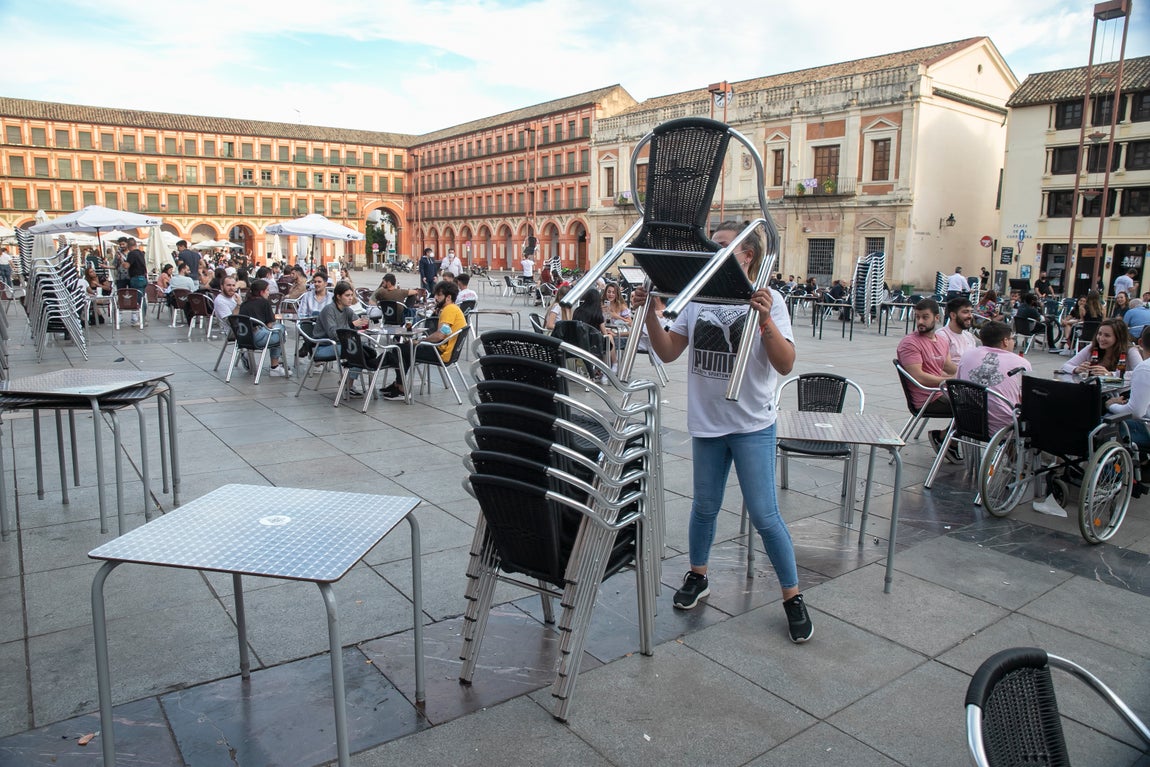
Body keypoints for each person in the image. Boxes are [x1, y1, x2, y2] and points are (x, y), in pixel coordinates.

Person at [631, 220, 812, 643]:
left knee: (765, 515)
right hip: (708, 424)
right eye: (714, 245)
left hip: (752, 424)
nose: (714, 251)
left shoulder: (772, 301)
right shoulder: (696, 298)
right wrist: (649, 314)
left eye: (724, 246)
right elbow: (668, 352)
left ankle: (792, 596)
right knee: (705, 507)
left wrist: (764, 318)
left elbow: (785, 364)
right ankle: (698, 575)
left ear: (746, 256)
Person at [380, 280, 467, 400]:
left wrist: (421, 341)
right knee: (406, 348)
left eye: (438, 295)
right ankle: (398, 384)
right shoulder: (454, 308)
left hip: (441, 353)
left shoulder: (449, 310)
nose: (435, 298)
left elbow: (440, 335)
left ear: (448, 297)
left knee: (399, 349)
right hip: (445, 351)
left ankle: (400, 388)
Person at [896, 298, 958, 461]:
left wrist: (969, 372)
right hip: (928, 398)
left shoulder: (942, 341)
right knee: (974, 409)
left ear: (937, 318)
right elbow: (919, 377)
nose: (920, 322)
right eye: (917, 317)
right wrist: (950, 382)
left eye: (925, 317)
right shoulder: (910, 343)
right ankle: (945, 439)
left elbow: (948, 366)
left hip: (940, 391)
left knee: (980, 401)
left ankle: (950, 440)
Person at [956, 321, 1031, 433]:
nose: (1013, 342)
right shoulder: (1021, 363)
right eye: (1012, 339)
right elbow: (1026, 397)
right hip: (1003, 426)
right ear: (1005, 341)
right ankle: (1012, 450)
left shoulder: (967, 355)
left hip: (967, 420)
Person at [316, 281, 373, 397]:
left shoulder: (347, 310)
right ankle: (347, 385)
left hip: (341, 344)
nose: (350, 298)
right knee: (357, 351)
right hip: (324, 346)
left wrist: (362, 323)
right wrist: (353, 325)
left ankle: (347, 383)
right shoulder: (329, 310)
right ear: (338, 296)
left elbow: (357, 322)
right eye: (347, 295)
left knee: (362, 350)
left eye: (351, 295)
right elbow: (333, 334)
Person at [1106, 328, 1150, 454]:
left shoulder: (1144, 368)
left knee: (1103, 422)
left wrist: (1111, 405)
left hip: (1146, 429)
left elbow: (1135, 412)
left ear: (1140, 343)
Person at [237, 279, 289, 377]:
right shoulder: (265, 303)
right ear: (261, 292)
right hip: (258, 339)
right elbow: (270, 325)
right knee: (279, 329)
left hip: (244, 339)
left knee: (277, 334)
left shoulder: (244, 304)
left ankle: (248, 355)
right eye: (268, 290)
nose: (269, 293)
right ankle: (275, 367)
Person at [1061, 318, 1141, 379]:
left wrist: (1110, 374)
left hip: (1122, 394)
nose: (1101, 338)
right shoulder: (1092, 347)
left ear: (1118, 338)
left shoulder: (1130, 350)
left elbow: (1140, 373)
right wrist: (1077, 369)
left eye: (1107, 335)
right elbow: (1066, 366)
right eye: (1099, 334)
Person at [937, 297, 977, 367]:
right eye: (965, 312)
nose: (970, 316)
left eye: (971, 312)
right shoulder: (942, 335)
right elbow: (944, 365)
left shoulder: (969, 336)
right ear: (953, 315)